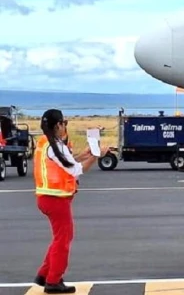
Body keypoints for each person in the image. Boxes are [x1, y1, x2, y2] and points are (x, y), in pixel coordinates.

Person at [34, 109, 105, 294]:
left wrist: (86, 153)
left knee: (59, 238)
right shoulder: (55, 145)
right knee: (63, 240)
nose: (65, 126)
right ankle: (53, 280)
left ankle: (44, 274)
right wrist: (97, 155)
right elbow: (76, 170)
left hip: (48, 197)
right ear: (58, 125)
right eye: (64, 123)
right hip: (55, 199)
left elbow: (67, 161)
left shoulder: (47, 143)